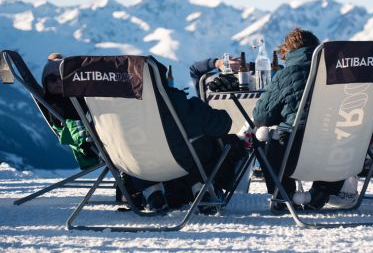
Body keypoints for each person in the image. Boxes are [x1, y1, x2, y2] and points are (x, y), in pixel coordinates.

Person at [42, 53, 244, 215]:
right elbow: (222, 124)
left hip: (129, 165)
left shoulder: (99, 113)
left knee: (139, 147)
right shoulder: (173, 102)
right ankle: (202, 189)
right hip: (176, 163)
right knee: (201, 141)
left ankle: (153, 193)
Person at [252, 28, 346, 210]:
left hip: (295, 155)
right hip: (339, 154)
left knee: (260, 137)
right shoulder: (339, 73)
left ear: (287, 53)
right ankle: (322, 191)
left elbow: (260, 117)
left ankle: (282, 195)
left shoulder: (285, 75)